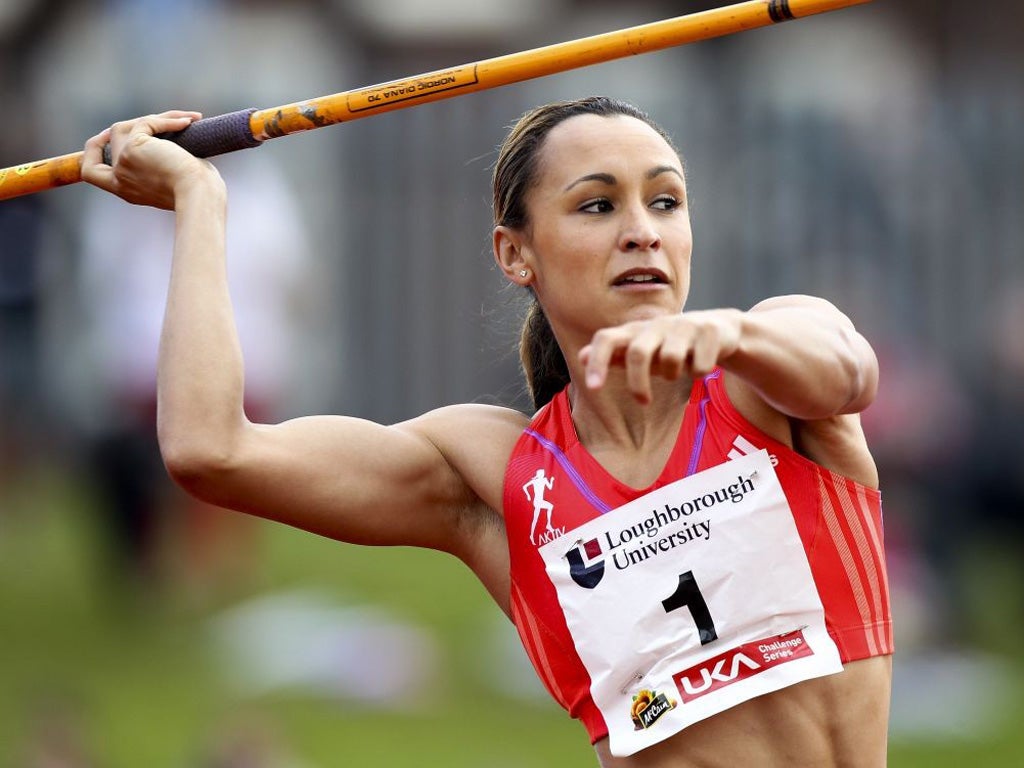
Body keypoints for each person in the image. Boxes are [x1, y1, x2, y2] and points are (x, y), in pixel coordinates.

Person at [80, 97, 893, 767]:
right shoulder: (496, 474)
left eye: (666, 200)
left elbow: (847, 371)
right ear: (516, 254)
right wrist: (199, 202)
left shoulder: (771, 378)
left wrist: (729, 338)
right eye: (598, 204)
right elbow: (210, 449)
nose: (642, 229)